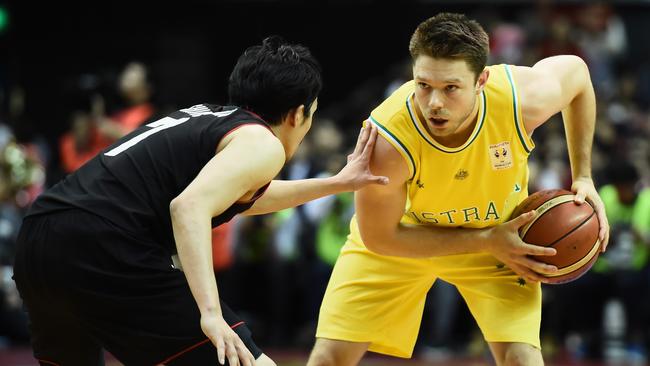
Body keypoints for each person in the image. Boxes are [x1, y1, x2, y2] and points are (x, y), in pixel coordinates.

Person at [12, 36, 387, 366]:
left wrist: (337, 183)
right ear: (297, 114)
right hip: (103, 243)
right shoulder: (262, 142)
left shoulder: (209, 119)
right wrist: (209, 313)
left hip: (40, 240)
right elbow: (189, 207)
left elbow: (238, 196)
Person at [307, 13, 610, 366]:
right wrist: (486, 240)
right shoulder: (386, 142)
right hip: (406, 237)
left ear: (481, 79)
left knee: (522, 358)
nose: (434, 102)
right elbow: (379, 238)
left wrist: (584, 177)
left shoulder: (519, 99)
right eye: (423, 85)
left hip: (499, 238)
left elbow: (577, 74)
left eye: (450, 88)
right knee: (329, 357)